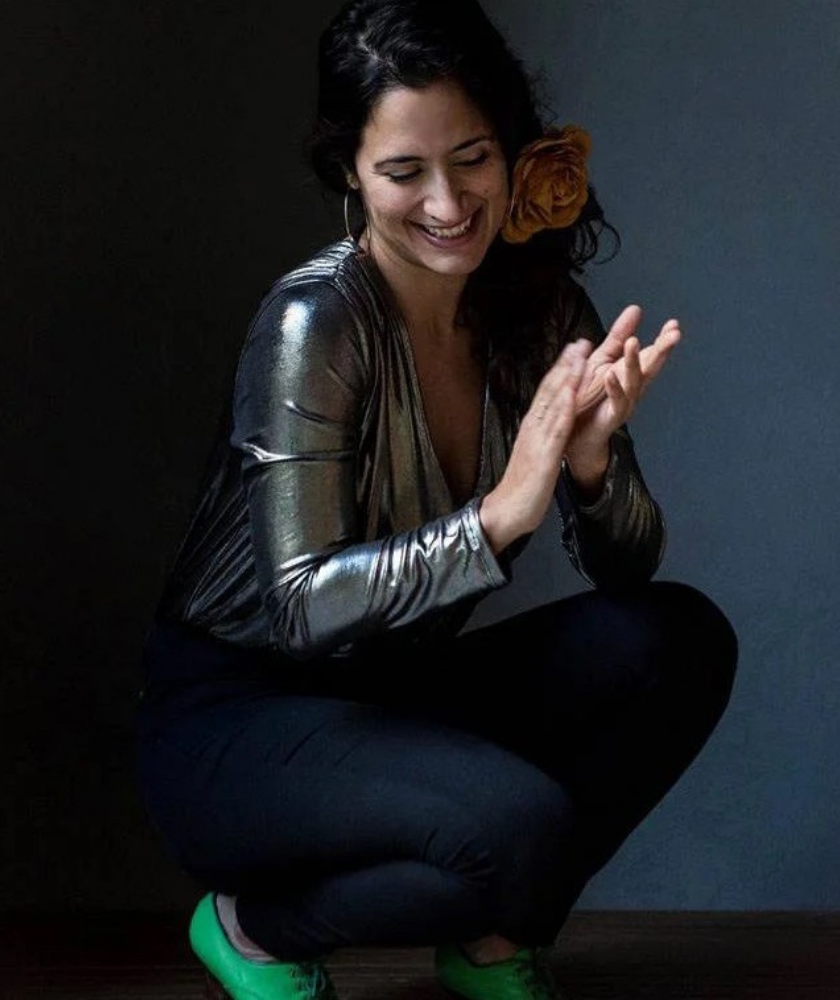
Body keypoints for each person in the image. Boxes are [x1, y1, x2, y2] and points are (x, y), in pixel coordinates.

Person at [134, 0, 738, 997]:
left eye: (472, 159)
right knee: (521, 825)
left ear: (511, 150)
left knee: (680, 640)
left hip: (390, 692)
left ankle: (494, 935)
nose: (450, 204)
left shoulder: (540, 305)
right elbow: (298, 607)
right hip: (238, 718)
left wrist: (590, 472)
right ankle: (253, 927)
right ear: (347, 171)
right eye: (404, 172)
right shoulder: (313, 320)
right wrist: (501, 516)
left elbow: (629, 570)